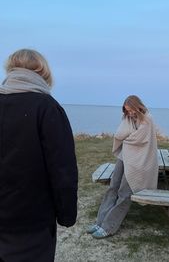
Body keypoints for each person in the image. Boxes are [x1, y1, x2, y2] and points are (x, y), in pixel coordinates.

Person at [0, 49, 78, 262]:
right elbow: (63, 169)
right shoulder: (47, 108)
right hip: (31, 223)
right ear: (43, 73)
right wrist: (67, 215)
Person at [87, 95, 158, 239]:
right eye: (127, 111)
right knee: (113, 187)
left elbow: (138, 139)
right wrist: (127, 137)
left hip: (139, 161)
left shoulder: (147, 119)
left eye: (131, 110)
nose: (129, 113)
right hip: (124, 157)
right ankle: (100, 222)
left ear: (138, 106)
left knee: (124, 193)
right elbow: (120, 134)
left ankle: (108, 227)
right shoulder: (128, 118)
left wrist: (127, 138)